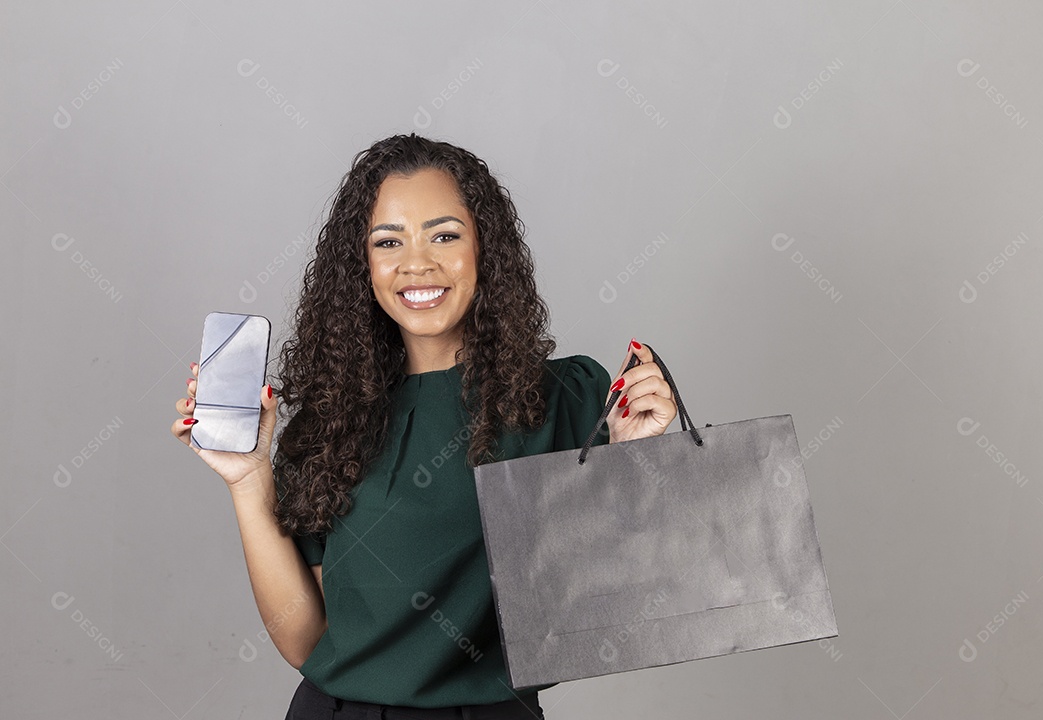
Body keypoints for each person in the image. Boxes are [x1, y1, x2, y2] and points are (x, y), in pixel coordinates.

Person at [171, 133, 678, 719]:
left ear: (484, 247)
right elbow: (305, 640)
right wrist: (248, 477)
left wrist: (630, 462)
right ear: (362, 264)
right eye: (389, 241)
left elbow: (598, 615)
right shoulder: (328, 421)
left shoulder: (570, 399)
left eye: (444, 235)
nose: (418, 263)